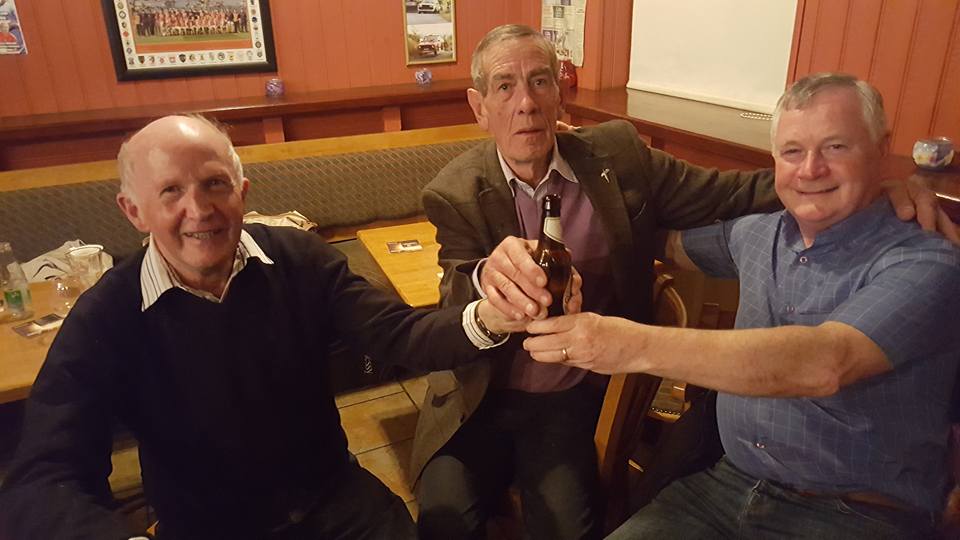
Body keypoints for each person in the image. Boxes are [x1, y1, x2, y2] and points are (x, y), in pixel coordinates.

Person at [0, 115, 541, 540]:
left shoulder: (301, 260)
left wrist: (491, 316)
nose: (199, 209)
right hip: (208, 529)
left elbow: (400, 335)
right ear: (133, 210)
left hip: (332, 499)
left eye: (215, 184)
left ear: (243, 190)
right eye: (170, 192)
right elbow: (43, 479)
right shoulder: (109, 315)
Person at [524, 73, 960, 538]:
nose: (811, 169)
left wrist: (629, 345)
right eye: (793, 152)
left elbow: (824, 362)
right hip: (724, 488)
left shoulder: (926, 259)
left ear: (880, 149)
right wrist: (542, 238)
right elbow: (652, 238)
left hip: (854, 513)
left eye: (836, 148)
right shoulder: (758, 234)